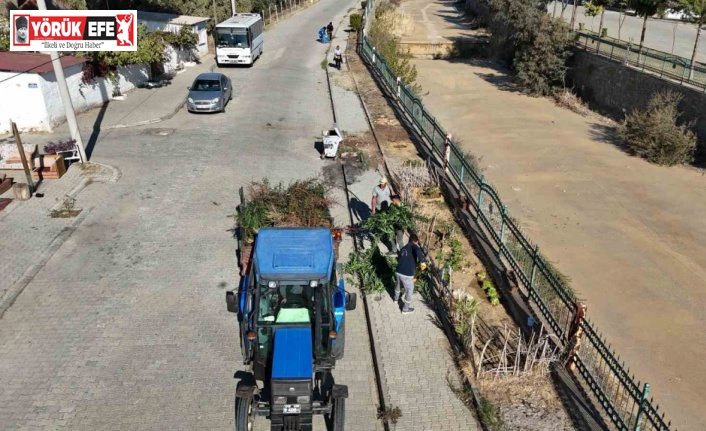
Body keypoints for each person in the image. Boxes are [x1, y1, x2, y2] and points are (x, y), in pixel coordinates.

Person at [394, 234, 426, 314]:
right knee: (409, 291)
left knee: (398, 285)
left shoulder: (403, 248)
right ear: (416, 241)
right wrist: (423, 262)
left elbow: (401, 257)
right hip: (407, 275)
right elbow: (418, 251)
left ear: (408, 240)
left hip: (398, 272)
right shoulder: (414, 246)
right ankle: (405, 309)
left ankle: (396, 299)